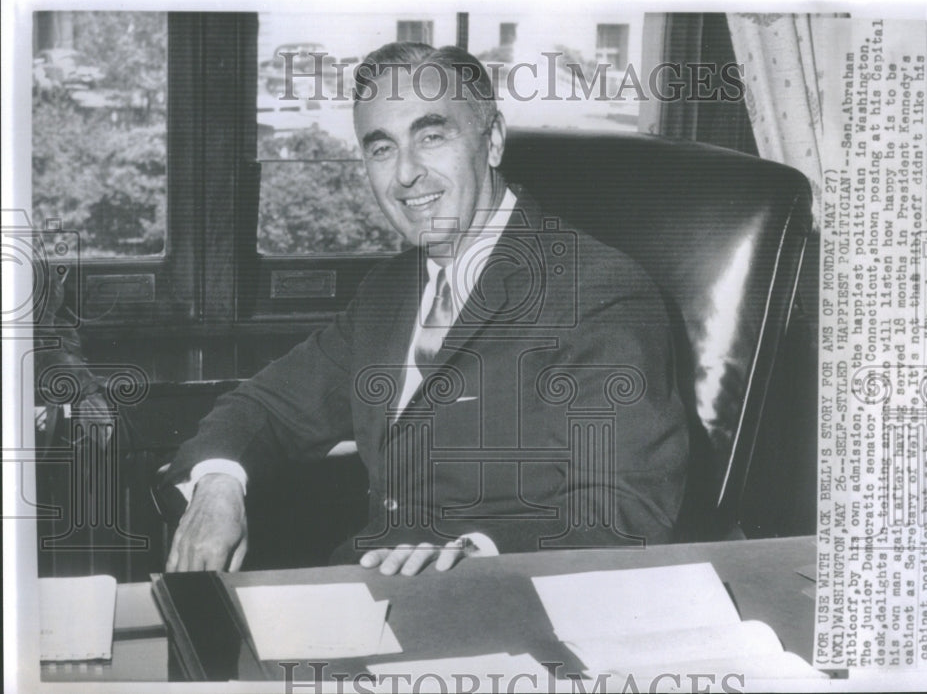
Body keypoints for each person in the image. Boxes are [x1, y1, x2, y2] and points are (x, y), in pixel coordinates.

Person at [163, 42, 689, 576]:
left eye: (431, 136)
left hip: (510, 612)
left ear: (494, 141)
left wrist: (470, 555)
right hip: (371, 596)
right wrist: (219, 484)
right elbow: (265, 406)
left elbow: (629, 515)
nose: (406, 174)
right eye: (381, 148)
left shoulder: (598, 293)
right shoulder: (390, 291)